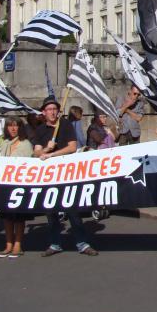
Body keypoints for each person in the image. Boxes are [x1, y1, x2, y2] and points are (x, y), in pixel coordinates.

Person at [32, 96, 98, 257]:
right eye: (49, 109)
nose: (52, 112)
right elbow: (37, 152)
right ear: (44, 112)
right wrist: (46, 150)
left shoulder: (65, 125)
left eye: (54, 109)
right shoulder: (40, 130)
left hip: (67, 173)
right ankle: (55, 244)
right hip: (49, 176)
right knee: (51, 212)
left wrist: (53, 153)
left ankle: (82, 244)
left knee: (73, 211)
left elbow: (72, 147)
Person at [0, 115, 34, 258]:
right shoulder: (3, 142)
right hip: (4, 184)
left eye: (16, 125)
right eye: (10, 125)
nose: (13, 128)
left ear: (20, 127)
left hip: (19, 185)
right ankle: (8, 243)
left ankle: (18, 244)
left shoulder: (25, 144)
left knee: (19, 216)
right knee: (6, 216)